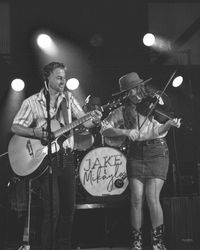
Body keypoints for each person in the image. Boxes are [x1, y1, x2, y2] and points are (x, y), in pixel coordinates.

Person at [10, 61, 102, 250]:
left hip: (66, 158)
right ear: (48, 78)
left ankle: (64, 247)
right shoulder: (32, 102)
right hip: (45, 160)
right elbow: (15, 126)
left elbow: (84, 123)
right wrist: (35, 133)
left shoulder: (68, 99)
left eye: (64, 78)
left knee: (68, 210)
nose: (63, 81)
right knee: (52, 211)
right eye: (59, 77)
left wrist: (95, 119)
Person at [100, 72, 181, 250]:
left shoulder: (154, 102)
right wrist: (125, 132)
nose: (134, 94)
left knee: (152, 197)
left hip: (157, 150)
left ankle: (158, 243)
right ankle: (137, 243)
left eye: (136, 89)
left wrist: (169, 124)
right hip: (135, 153)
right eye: (129, 92)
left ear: (141, 87)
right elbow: (104, 129)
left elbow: (159, 129)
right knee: (136, 199)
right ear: (125, 94)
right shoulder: (122, 111)